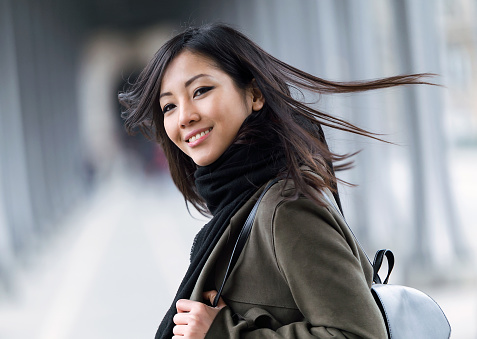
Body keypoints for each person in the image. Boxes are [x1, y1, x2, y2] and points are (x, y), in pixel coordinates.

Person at [119, 23, 432, 339]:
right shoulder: (243, 204)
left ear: (254, 94)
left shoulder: (286, 207)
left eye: (201, 91)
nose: (184, 116)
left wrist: (223, 333)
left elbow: (359, 334)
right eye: (169, 106)